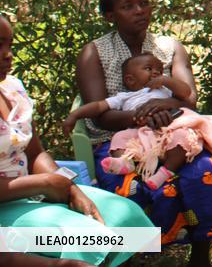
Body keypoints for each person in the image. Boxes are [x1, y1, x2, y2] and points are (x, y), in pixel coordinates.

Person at [75, 0, 212, 267]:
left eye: (144, 3)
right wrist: (143, 115)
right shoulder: (94, 53)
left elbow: (189, 99)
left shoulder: (169, 47)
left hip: (171, 133)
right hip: (120, 142)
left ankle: (200, 255)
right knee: (123, 182)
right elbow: (101, 115)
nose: (139, 11)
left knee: (201, 169)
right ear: (110, 15)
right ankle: (131, 255)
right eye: (128, 6)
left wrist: (163, 108)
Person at [0, 14, 153, 266]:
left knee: (127, 219)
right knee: (85, 236)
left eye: (10, 45)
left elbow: (35, 153)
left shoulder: (12, 89)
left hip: (29, 195)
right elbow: (43, 180)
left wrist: (68, 187)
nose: (8, 54)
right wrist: (45, 183)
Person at [64, 53, 212, 193]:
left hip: (170, 128)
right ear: (130, 80)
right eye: (149, 69)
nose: (156, 72)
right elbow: (99, 106)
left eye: (159, 70)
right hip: (142, 134)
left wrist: (166, 81)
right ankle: (124, 162)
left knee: (183, 138)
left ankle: (165, 172)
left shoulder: (164, 90)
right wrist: (75, 115)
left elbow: (186, 92)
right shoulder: (124, 97)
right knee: (119, 137)